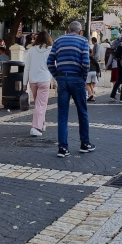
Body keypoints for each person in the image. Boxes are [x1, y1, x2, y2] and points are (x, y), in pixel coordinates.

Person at [47, 21, 94, 157]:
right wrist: (83, 76)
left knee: (62, 115)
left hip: (62, 79)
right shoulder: (83, 41)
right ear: (80, 31)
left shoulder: (58, 40)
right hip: (77, 78)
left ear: (68, 30)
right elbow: (86, 62)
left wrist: (57, 76)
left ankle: (63, 148)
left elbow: (50, 61)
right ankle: (84, 143)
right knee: (82, 112)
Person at [23, 31, 53, 136]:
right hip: (44, 79)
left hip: (33, 80)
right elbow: (53, 66)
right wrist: (54, 81)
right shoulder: (50, 50)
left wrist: (24, 82)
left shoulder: (31, 50)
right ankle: (35, 127)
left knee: (38, 104)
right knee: (41, 104)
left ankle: (42, 123)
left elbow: (27, 68)